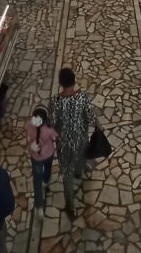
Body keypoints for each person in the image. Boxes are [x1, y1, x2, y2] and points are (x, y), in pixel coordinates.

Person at [50, 67, 96, 220]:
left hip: (64, 145)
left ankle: (70, 205)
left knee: (66, 174)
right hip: (80, 139)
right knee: (81, 156)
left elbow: (52, 123)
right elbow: (90, 117)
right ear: (74, 81)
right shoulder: (82, 98)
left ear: (61, 83)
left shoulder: (55, 102)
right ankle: (80, 171)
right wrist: (99, 126)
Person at [25, 106, 57, 215]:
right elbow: (55, 138)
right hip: (48, 155)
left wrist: (30, 146)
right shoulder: (49, 129)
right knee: (47, 171)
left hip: (36, 158)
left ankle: (39, 206)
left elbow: (28, 138)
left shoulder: (29, 125)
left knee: (36, 180)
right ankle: (46, 183)